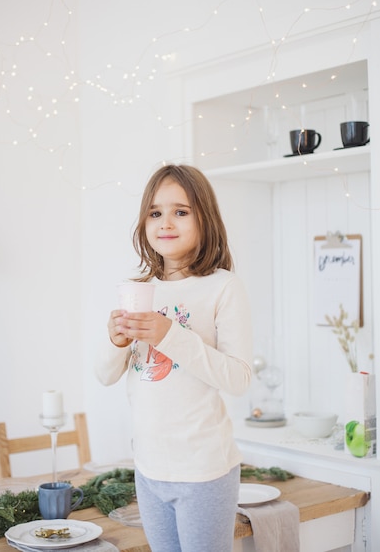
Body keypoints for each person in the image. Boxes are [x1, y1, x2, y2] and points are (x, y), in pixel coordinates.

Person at [96, 163, 253, 552]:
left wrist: (171, 336)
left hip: (203, 470)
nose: (166, 222)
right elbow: (104, 376)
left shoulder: (223, 287)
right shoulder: (138, 289)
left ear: (205, 219)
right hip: (149, 469)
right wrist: (115, 342)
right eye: (155, 212)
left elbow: (238, 379)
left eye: (180, 211)